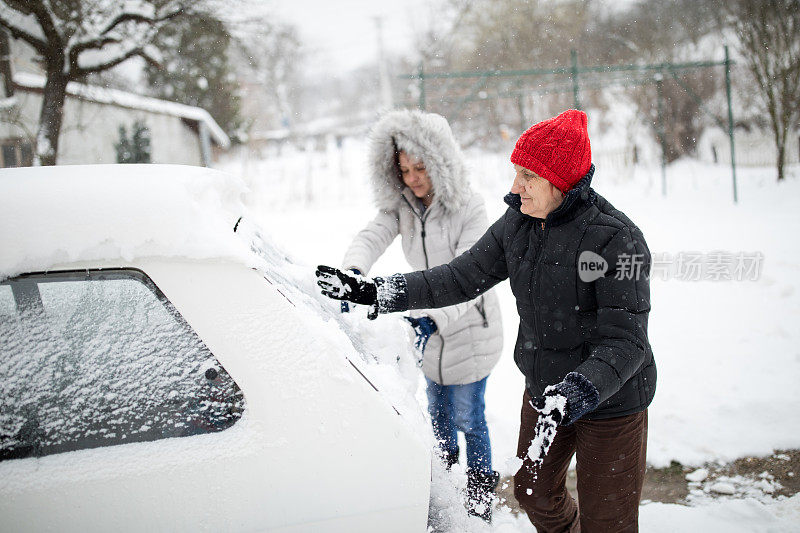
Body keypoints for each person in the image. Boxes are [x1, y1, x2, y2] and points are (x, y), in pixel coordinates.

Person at [317, 109, 656, 532]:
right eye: (516, 173)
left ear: (561, 182)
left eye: (527, 177)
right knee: (533, 492)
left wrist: (576, 392)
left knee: (608, 521)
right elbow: (458, 278)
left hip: (610, 401)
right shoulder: (519, 222)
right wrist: (378, 292)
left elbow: (625, 343)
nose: (515, 187)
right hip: (544, 388)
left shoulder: (616, 238)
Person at [338, 109, 504, 520]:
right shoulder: (404, 206)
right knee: (438, 417)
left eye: (421, 167)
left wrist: (432, 320)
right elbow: (372, 234)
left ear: (441, 161)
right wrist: (353, 271)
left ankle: (481, 491)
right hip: (424, 327)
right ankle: (445, 487)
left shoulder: (471, 208)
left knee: (468, 416)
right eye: (405, 169)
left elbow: (471, 279)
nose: (412, 178)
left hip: (470, 328)